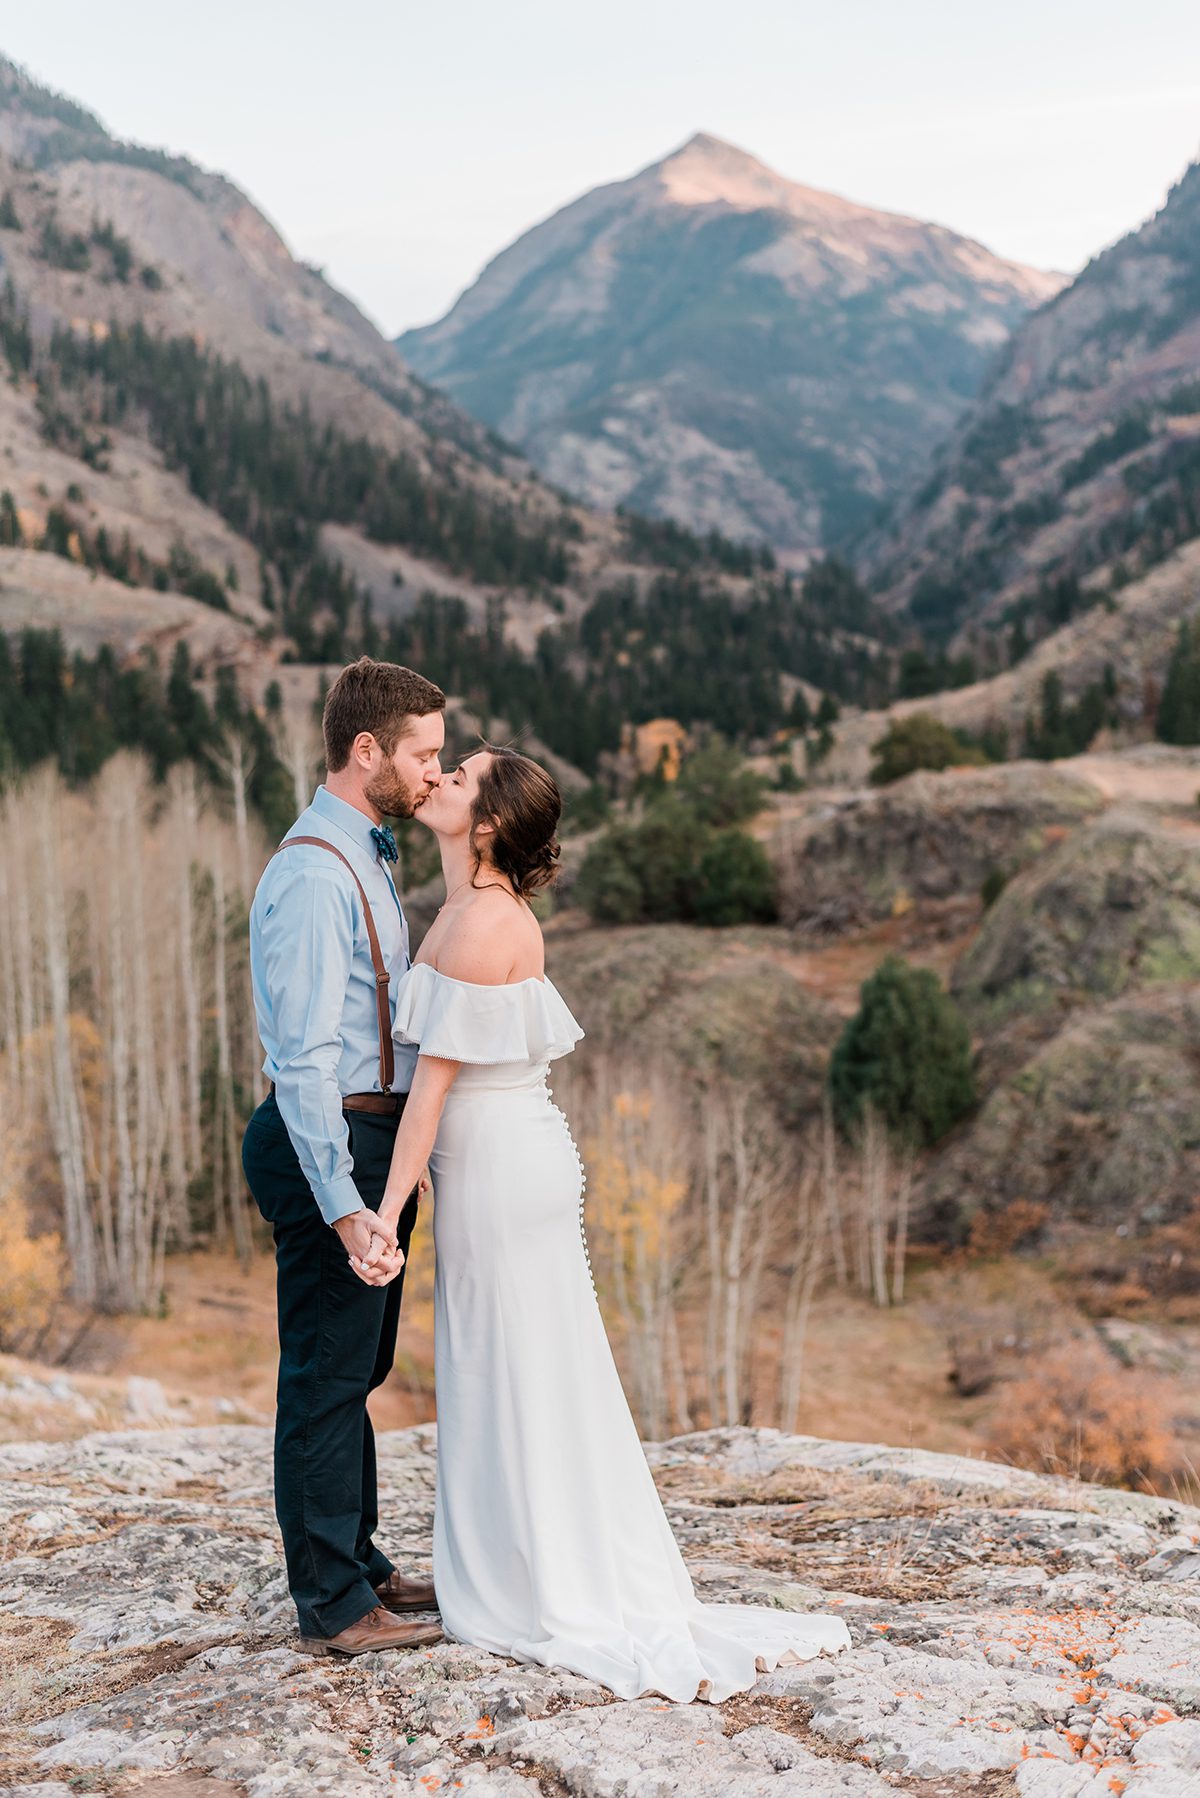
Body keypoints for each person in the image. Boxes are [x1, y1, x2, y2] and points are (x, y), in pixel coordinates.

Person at [357, 744, 852, 1703]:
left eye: (461, 776)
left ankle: (534, 1580)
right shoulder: (473, 910)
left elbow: (431, 1092)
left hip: (499, 1167)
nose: (443, 779)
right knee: (527, 1360)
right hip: (510, 1159)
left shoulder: (476, 924)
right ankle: (540, 1559)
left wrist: (383, 1211)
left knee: (503, 1359)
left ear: (488, 821)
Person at [242, 657, 447, 1658]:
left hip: (365, 1138)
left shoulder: (363, 852)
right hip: (326, 1139)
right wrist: (343, 1200)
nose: (432, 774)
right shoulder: (318, 874)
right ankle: (331, 1601)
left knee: (360, 1363)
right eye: (423, 754)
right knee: (324, 1372)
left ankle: (356, 1559)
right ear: (367, 750)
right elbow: (306, 1061)